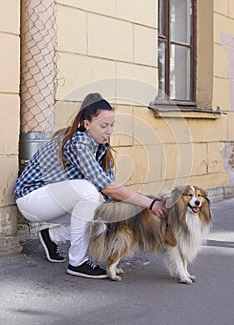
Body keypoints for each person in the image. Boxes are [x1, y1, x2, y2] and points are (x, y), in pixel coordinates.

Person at [14, 93, 165, 279]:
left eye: (112, 125)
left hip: (54, 200)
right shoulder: (77, 143)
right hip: (32, 198)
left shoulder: (100, 147)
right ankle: (78, 262)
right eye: (104, 126)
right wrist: (150, 204)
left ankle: (52, 237)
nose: (109, 131)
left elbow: (111, 194)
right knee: (88, 191)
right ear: (87, 124)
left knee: (101, 214)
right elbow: (107, 187)